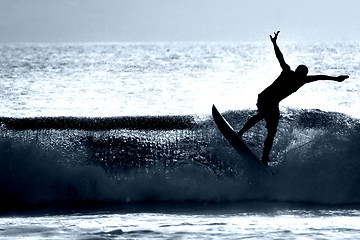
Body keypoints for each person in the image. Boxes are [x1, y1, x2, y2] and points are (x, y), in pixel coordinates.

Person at [237, 31, 349, 167]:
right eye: (298, 72)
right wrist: (274, 43)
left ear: (303, 75)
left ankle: (264, 158)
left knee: (272, 131)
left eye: (301, 74)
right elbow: (280, 57)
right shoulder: (287, 72)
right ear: (296, 71)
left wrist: (336, 79)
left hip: (273, 103)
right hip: (265, 98)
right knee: (262, 115)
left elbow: (320, 76)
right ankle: (240, 133)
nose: (298, 75)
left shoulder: (303, 80)